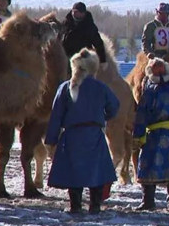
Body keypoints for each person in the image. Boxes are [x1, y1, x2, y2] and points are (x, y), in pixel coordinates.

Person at [44, 49, 120, 214]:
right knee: (96, 171)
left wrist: (51, 140)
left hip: (72, 136)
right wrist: (103, 116)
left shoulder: (64, 88)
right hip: (94, 134)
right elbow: (114, 106)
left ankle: (75, 206)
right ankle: (95, 205)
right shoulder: (101, 87)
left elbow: (56, 115)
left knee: (74, 172)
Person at [133, 57, 169, 211]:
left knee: (148, 166)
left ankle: (148, 202)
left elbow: (141, 115)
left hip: (156, 135)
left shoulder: (149, 93)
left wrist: (138, 136)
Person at [61, 2, 107, 69]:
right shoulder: (66, 23)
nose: (75, 13)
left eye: (78, 12)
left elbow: (98, 43)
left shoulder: (90, 26)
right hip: (66, 57)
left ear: (83, 13)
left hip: (83, 59)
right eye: (74, 11)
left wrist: (103, 60)